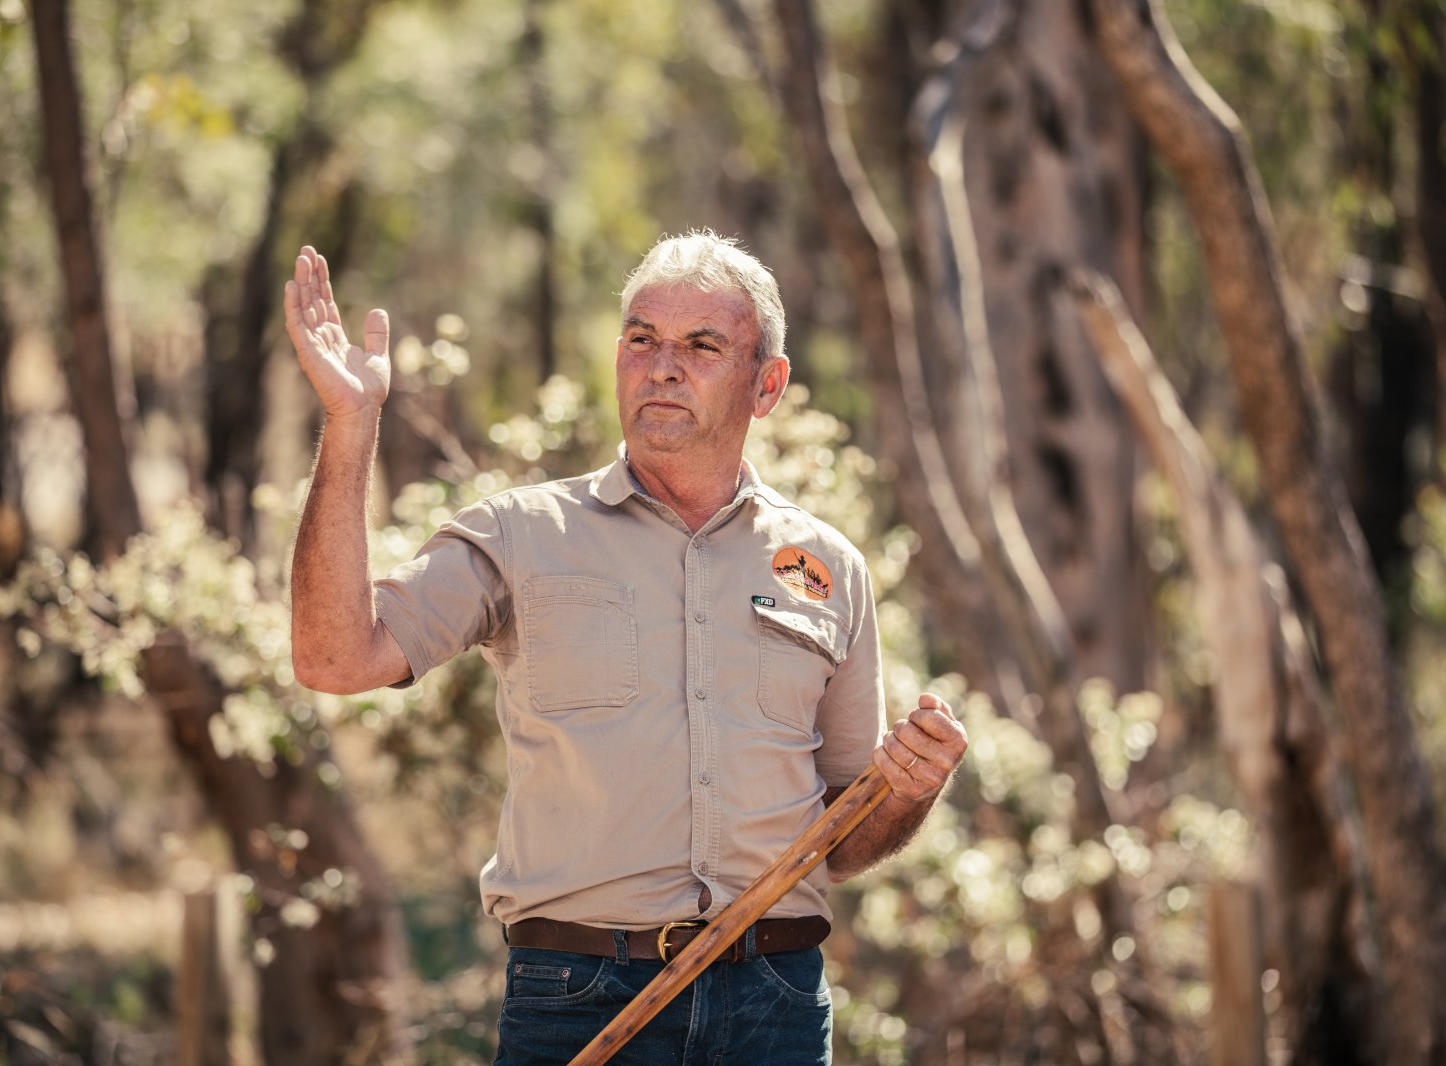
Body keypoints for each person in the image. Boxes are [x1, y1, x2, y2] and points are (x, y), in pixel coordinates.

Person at [285, 231, 968, 1065]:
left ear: (768, 385)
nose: (662, 367)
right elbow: (333, 659)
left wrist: (910, 791)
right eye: (642, 339)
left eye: (702, 346)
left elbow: (845, 839)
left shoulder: (829, 567)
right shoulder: (519, 534)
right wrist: (351, 421)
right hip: (577, 996)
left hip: (776, 1005)